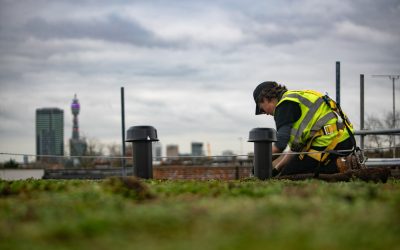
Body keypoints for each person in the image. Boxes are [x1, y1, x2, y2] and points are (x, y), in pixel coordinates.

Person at [253, 81, 355, 176]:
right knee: (287, 171)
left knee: (291, 175)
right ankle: (345, 163)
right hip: (342, 138)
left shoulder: (283, 106)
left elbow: (280, 144)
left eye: (262, 109)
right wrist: (277, 169)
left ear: (266, 98)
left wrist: (260, 162)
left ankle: (343, 165)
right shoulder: (294, 98)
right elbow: (295, 149)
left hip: (331, 141)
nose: (265, 113)